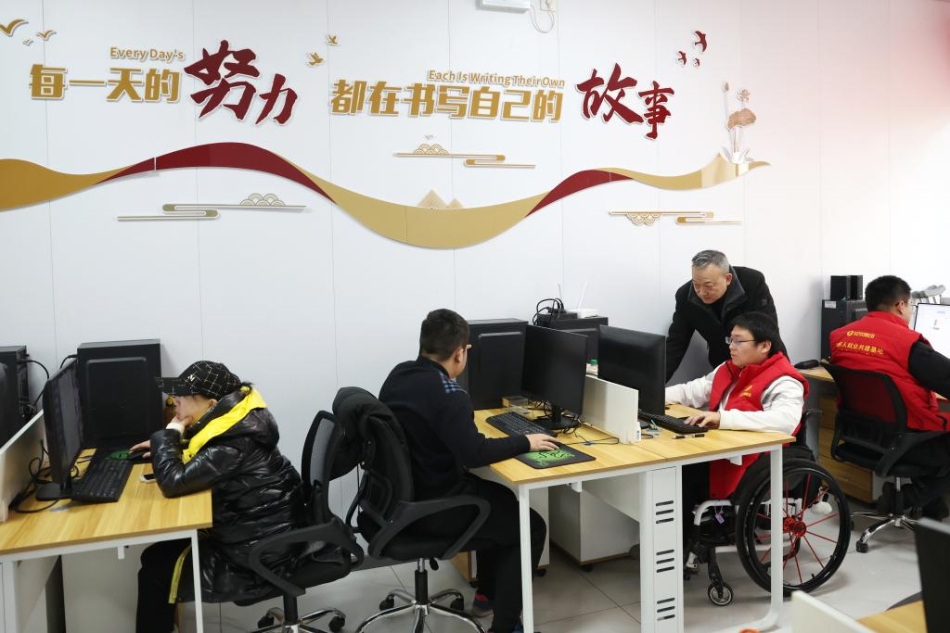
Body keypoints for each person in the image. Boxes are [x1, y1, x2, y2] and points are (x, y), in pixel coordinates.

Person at [379, 309, 556, 633]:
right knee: (529, 526)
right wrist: (525, 441)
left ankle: (487, 596)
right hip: (435, 508)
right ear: (461, 352)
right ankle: (506, 628)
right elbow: (474, 454)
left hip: (401, 499)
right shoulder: (450, 394)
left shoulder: (398, 375)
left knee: (503, 500)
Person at [132, 360, 303, 633]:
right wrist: (172, 447)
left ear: (211, 405)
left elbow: (174, 483)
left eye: (183, 397)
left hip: (258, 553)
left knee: (155, 573)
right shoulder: (237, 421)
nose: (174, 402)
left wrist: (169, 437)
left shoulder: (234, 442)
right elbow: (207, 450)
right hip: (256, 530)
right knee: (155, 557)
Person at [665, 312, 807, 529]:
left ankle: (680, 543)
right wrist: (650, 396)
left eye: (739, 341)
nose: (731, 347)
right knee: (671, 466)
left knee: (676, 475)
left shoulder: (784, 380)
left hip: (754, 463)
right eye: (730, 340)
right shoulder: (729, 369)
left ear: (765, 346)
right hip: (721, 451)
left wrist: (723, 418)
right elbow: (692, 391)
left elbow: (785, 421)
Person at [830, 275, 950, 519]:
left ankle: (932, 506)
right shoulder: (908, 344)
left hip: (860, 435)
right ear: (901, 305)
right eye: (911, 306)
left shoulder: (840, 336)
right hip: (904, 443)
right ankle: (907, 498)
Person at [666, 249, 784, 380]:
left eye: (708, 285)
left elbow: (768, 332)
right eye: (696, 285)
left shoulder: (752, 282)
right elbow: (675, 344)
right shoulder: (685, 297)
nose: (701, 292)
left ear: (728, 279)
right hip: (724, 367)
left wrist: (779, 375)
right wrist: (653, 383)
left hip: (763, 365)